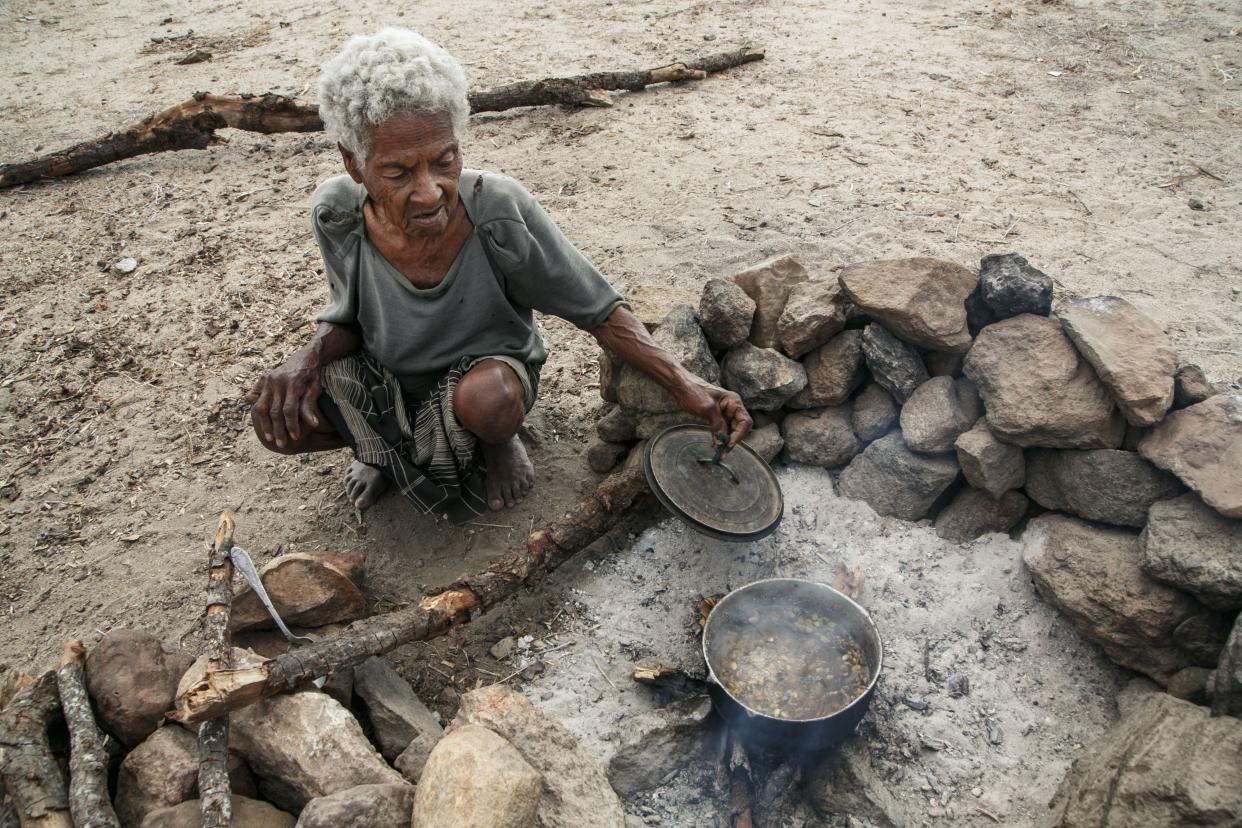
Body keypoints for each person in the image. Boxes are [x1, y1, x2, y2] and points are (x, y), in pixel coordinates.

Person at [247, 28, 751, 522]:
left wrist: (688, 386)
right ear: (354, 164)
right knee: (278, 421)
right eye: (399, 173)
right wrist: (306, 360)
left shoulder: (498, 213)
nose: (430, 192)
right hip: (393, 378)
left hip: (484, 377)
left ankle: (499, 443)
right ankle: (381, 451)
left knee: (488, 402)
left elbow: (598, 309)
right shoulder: (336, 214)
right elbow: (348, 320)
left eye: (445, 161)